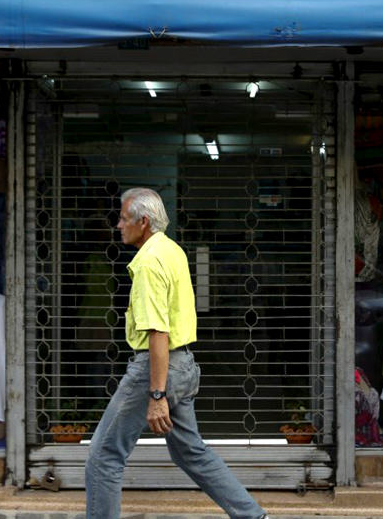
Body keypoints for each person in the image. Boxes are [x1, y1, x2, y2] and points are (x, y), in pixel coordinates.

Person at [85, 188, 268, 519]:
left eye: (124, 218)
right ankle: (254, 516)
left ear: (143, 222)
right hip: (183, 365)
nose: (117, 225)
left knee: (104, 456)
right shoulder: (172, 250)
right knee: (191, 453)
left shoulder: (149, 263)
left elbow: (158, 332)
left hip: (155, 370)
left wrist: (156, 394)